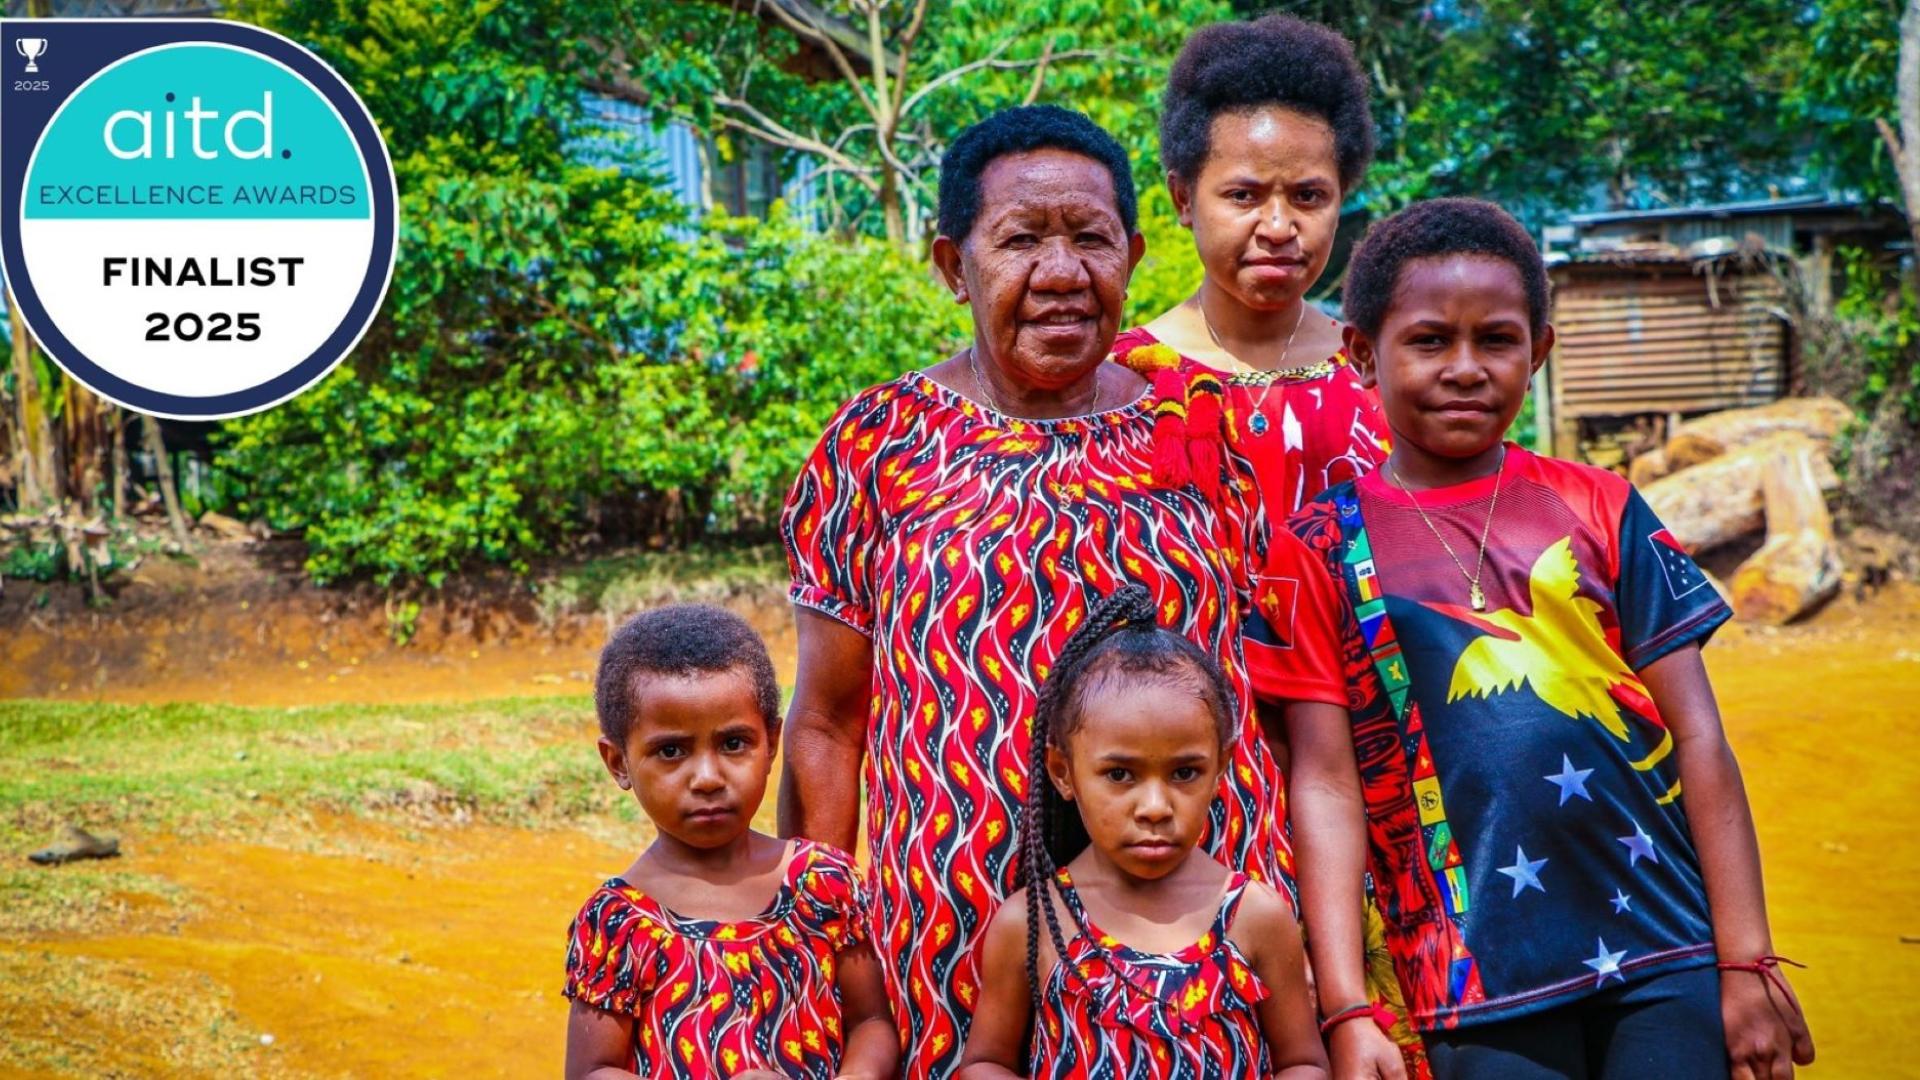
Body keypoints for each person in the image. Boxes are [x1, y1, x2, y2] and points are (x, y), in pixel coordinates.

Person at [780, 105, 1287, 1078]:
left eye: (1090, 238)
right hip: (947, 971)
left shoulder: (1209, 434)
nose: (1062, 272)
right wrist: (814, 959)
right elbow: (828, 724)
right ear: (949, 262)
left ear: (1133, 253)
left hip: (1198, 969)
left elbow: (1284, 706)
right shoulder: (875, 448)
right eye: (1021, 240)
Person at [1264, 198, 1817, 1079]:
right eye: (1429, 340)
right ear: (1362, 353)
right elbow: (1326, 781)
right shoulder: (1321, 548)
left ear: (1541, 352)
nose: (1466, 368)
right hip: (1472, 977)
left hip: (1663, 942)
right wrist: (1347, 1007)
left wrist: (1745, 957)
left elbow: (1700, 736)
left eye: (1498, 340)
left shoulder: (1599, 505)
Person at [957, 585, 1327, 1079]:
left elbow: (1303, 1062)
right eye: (1119, 775)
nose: (1154, 807)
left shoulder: (1253, 917)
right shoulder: (1035, 923)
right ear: (1063, 773)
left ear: (1221, 768)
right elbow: (985, 1063)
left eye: (1184, 773)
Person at [562, 604, 896, 1080]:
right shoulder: (619, 923)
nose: (707, 778)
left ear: (772, 741)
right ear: (618, 762)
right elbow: (592, 1071)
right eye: (671, 751)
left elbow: (872, 1023)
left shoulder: (823, 884)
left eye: (734, 743)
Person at [1115, 14, 1389, 522]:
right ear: (1184, 199)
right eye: (1244, 196)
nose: (1279, 227)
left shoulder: (1384, 378)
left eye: (1309, 196)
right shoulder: (1119, 381)